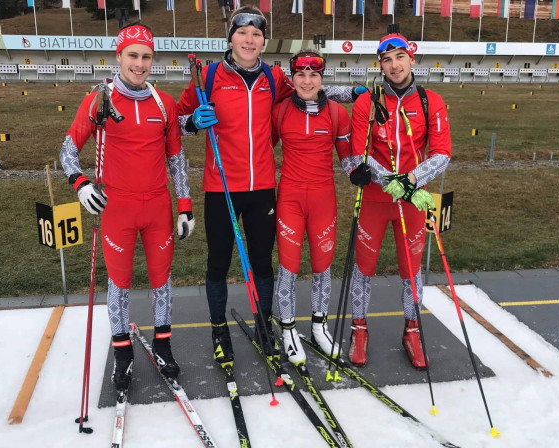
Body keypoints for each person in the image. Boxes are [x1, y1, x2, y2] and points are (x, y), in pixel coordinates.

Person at [176, 5, 363, 365]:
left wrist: (354, 90)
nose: (249, 39)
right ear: (230, 37)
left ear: (263, 41)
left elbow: (313, 88)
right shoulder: (211, 75)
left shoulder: (275, 77)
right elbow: (177, 121)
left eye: (256, 33)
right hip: (221, 188)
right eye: (242, 32)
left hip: (262, 186)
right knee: (218, 263)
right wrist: (193, 123)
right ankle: (219, 331)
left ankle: (265, 324)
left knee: (263, 263)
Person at [59, 23, 195, 390]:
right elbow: (68, 150)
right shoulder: (99, 100)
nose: (139, 64)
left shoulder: (163, 104)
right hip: (116, 206)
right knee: (118, 283)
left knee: (161, 281)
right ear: (118, 56)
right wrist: (81, 183)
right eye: (132, 56)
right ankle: (123, 355)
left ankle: (163, 348)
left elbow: (177, 159)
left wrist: (185, 205)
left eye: (146, 56)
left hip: (156, 207)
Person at [347, 32, 452, 370]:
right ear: (380, 65)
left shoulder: (430, 101)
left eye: (399, 57)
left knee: (411, 271)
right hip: (376, 200)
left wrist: (410, 181)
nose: (394, 65)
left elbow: (441, 154)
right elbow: (359, 153)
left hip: (412, 200)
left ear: (411, 59)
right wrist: (391, 181)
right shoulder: (367, 102)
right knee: (363, 268)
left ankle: (411, 329)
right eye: (386, 60)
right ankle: (359, 329)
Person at [270, 49, 356, 365]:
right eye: (301, 75)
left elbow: (347, 157)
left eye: (314, 75)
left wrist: (355, 170)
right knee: (288, 269)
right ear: (292, 79)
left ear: (322, 78)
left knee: (322, 267)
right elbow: (263, 150)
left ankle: (319, 327)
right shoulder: (279, 111)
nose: (307, 81)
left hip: (323, 199)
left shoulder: (336, 113)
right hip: (290, 198)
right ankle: (289, 329)